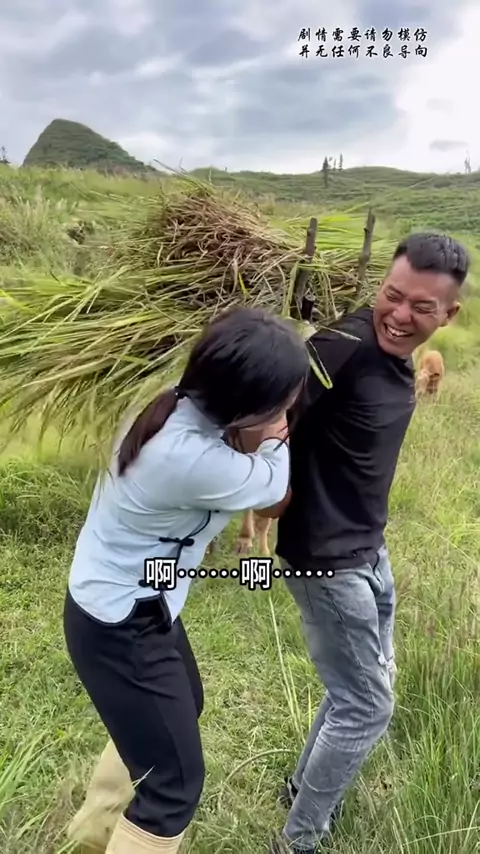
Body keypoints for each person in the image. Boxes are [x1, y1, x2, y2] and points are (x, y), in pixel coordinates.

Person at [64, 305, 310, 854]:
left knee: (182, 706)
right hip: (119, 624)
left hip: (136, 603)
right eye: (284, 401)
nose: (290, 408)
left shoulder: (173, 401)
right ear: (248, 405)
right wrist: (277, 435)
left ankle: (90, 838)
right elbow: (274, 490)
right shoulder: (188, 458)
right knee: (173, 787)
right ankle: (104, 837)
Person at [271, 233, 470, 853]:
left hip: (368, 549)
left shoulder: (394, 351)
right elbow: (268, 410)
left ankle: (300, 789)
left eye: (421, 307)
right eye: (392, 295)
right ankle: (299, 840)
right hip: (325, 558)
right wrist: (271, 489)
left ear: (449, 314)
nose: (400, 316)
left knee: (361, 687)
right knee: (367, 706)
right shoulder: (344, 345)